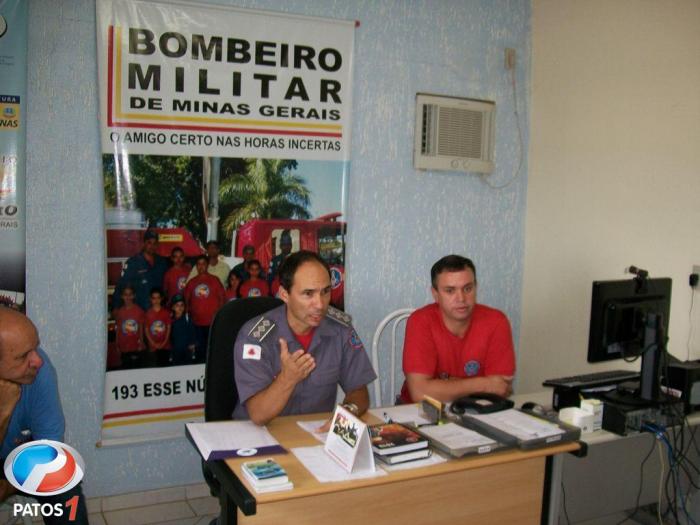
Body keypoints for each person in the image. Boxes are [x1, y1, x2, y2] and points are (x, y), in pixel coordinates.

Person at [233, 250, 376, 425]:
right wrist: (288, 378)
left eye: (325, 291)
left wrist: (347, 413)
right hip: (257, 436)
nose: (320, 304)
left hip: (313, 436)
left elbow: (358, 390)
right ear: (284, 294)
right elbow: (258, 415)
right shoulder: (255, 336)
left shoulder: (340, 330)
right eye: (308, 294)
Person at [0, 307, 88, 524]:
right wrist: (3, 410)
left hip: (21, 457)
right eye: (23, 356)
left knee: (65, 486)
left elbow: (51, 453)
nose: (37, 360)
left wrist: (8, 486)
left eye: (35, 348)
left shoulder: (40, 371)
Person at [399, 255, 515, 404]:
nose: (461, 298)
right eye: (450, 290)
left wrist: (442, 386)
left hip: (478, 409)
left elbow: (500, 388)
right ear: (435, 294)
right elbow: (420, 393)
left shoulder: (496, 321)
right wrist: (484, 384)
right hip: (419, 412)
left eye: (468, 288)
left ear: (476, 287)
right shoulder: (420, 321)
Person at [113, 229, 168, 311]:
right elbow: (121, 286)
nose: (152, 246)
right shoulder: (133, 262)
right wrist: (116, 307)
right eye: (149, 242)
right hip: (139, 311)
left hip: (157, 312)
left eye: (154, 243)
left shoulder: (162, 263)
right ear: (144, 243)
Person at [184, 255, 225, 362]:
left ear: (207, 265)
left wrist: (218, 317)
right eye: (199, 264)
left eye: (203, 264)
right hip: (196, 323)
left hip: (212, 323)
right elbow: (186, 302)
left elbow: (222, 299)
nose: (201, 266)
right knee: (199, 351)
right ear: (196, 266)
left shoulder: (215, 280)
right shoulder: (191, 282)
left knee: (212, 350)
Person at [113, 285, 146, 369]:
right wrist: (117, 344)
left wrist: (141, 342)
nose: (128, 297)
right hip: (124, 347)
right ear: (122, 296)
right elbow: (118, 329)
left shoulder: (139, 311)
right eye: (125, 294)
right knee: (125, 369)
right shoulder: (120, 312)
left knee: (136, 369)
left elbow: (141, 328)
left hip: (135, 346)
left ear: (134, 295)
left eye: (130, 294)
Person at [144, 287, 171, 367]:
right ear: (150, 299)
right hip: (153, 347)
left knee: (164, 367)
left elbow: (168, 329)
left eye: (158, 298)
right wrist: (153, 344)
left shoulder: (166, 313)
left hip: (165, 346)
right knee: (154, 368)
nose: (156, 300)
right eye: (154, 298)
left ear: (161, 299)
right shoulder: (148, 314)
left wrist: (164, 343)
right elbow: (146, 330)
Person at [169, 294, 197, 365]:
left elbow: (192, 333)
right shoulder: (171, 320)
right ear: (173, 307)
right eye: (177, 305)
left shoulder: (187, 319)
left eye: (182, 305)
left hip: (187, 351)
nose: (180, 308)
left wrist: (192, 344)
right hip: (175, 352)